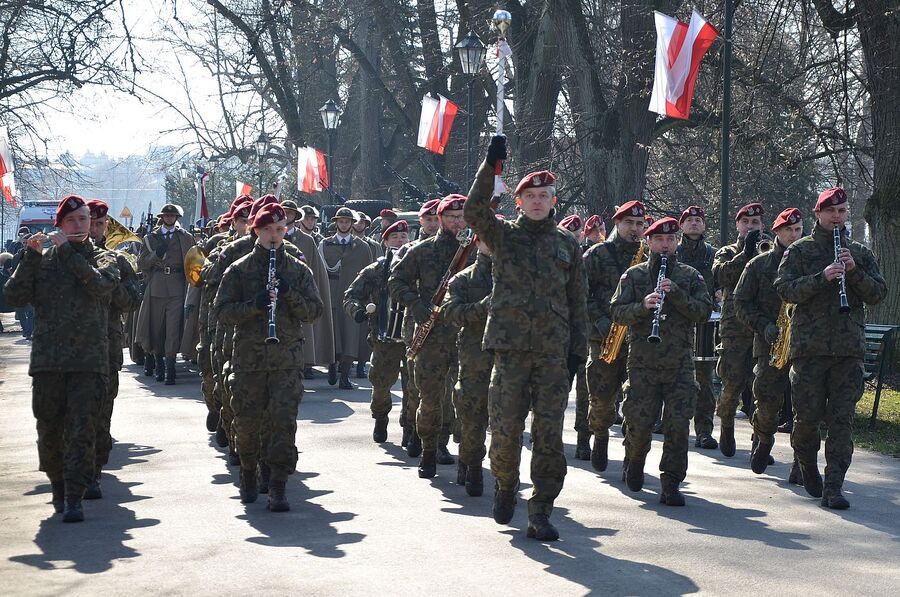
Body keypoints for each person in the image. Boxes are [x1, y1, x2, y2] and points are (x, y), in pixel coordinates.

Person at [464, 135, 588, 541]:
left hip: (553, 357)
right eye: (530, 195)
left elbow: (578, 304)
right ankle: (504, 485)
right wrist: (490, 167)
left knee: (550, 436)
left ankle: (541, 510)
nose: (537, 201)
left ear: (554, 201)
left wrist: (576, 354)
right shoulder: (503, 236)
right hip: (511, 352)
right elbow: (473, 210)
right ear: (519, 202)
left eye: (544, 195)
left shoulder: (568, 245)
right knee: (505, 430)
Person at [3, 195, 120, 522]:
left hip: (89, 362)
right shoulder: (42, 260)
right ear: (60, 225)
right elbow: (12, 297)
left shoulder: (104, 258)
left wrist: (68, 253)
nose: (80, 226)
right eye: (72, 221)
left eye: (84, 220)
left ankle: (74, 495)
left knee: (82, 429)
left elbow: (102, 287)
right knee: (50, 431)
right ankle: (58, 483)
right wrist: (30, 256)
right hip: (49, 362)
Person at [775, 188, 887, 509]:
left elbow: (878, 293)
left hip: (848, 350)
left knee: (842, 421)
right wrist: (821, 277)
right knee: (806, 419)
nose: (837, 216)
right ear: (818, 214)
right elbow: (784, 289)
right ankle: (807, 466)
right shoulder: (799, 251)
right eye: (831, 211)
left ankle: (834, 486)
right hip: (809, 351)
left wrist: (853, 272)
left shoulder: (860, 254)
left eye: (842, 211)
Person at [215, 203, 324, 511]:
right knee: (248, 423)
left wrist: (289, 294)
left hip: (286, 360)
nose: (274, 236)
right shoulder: (239, 269)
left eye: (279, 230)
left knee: (282, 422)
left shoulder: (297, 269)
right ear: (257, 232)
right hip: (248, 359)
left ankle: (277, 484)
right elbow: (222, 313)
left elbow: (314, 312)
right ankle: (249, 472)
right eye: (267, 230)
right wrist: (255, 304)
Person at [610, 217, 714, 506]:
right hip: (642, 363)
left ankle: (671, 482)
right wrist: (643, 306)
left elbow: (704, 312)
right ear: (649, 242)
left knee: (678, 426)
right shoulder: (634, 276)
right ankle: (634, 459)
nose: (665, 245)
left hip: (680, 364)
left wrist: (677, 294)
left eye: (670, 240)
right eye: (659, 240)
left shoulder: (690, 276)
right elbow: (616, 312)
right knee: (639, 424)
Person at [389, 195, 473, 476]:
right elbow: (396, 281)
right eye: (451, 217)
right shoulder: (421, 251)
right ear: (439, 219)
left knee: (464, 398)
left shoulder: (475, 251)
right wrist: (416, 304)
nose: (457, 221)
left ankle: (457, 449)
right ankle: (428, 448)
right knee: (430, 396)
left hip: (465, 335)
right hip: (431, 336)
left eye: (461, 216)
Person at [733, 207, 803, 476]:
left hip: (804, 345)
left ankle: (801, 462)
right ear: (777, 232)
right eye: (789, 231)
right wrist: (763, 325)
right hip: (769, 344)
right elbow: (741, 302)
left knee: (804, 408)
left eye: (798, 230)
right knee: (766, 402)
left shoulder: (809, 260)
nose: (794, 235)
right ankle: (762, 440)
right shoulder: (759, 264)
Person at [582, 201, 648, 467]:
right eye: (629, 223)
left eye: (639, 224)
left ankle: (632, 455)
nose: (634, 229)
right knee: (601, 396)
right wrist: (598, 321)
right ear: (617, 223)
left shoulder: (649, 256)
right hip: (605, 336)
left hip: (639, 340)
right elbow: (580, 294)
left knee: (638, 401)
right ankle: (599, 436)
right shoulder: (598, 254)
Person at [84, 200, 142, 499]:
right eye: (90, 223)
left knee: (101, 410)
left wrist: (110, 281)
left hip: (105, 347)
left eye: (100, 225)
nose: (95, 230)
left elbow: (132, 301)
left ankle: (93, 470)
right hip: (71, 350)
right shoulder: (62, 257)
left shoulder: (117, 261)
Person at [343, 220, 410, 442]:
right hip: (384, 337)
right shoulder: (376, 270)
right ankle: (381, 418)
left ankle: (410, 427)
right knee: (381, 384)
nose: (400, 241)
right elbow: (351, 296)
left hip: (413, 337)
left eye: (403, 238)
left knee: (415, 387)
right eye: (394, 238)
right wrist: (359, 312)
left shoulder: (416, 265)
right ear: (385, 242)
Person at [442, 231, 497, 497]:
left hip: (511, 361)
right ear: (478, 243)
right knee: (472, 417)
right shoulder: (464, 279)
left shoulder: (520, 277)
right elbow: (451, 313)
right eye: (489, 238)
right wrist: (484, 307)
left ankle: (505, 476)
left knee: (507, 423)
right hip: (475, 359)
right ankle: (472, 464)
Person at [713, 202, 764, 456]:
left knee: (761, 386)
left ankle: (759, 438)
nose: (750, 226)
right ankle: (727, 424)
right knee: (731, 382)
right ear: (737, 225)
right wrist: (745, 252)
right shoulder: (726, 252)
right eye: (746, 222)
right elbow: (721, 276)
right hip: (734, 327)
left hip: (762, 327)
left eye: (755, 223)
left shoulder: (770, 250)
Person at [395, 198, 441, 454]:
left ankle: (437, 440)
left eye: (437, 219)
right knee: (413, 382)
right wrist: (416, 303)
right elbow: (398, 282)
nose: (433, 224)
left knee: (441, 386)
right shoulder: (409, 249)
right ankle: (411, 428)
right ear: (421, 221)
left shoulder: (457, 250)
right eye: (429, 219)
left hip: (446, 325)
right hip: (416, 323)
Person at [676, 206, 721, 449]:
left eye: (698, 220)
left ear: (704, 225)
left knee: (704, 378)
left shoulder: (712, 254)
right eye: (689, 220)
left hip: (704, 321)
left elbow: (721, 282)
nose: (694, 224)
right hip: (676, 323)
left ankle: (704, 430)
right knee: (673, 375)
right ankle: (669, 422)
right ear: (681, 225)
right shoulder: (673, 250)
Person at [136, 203, 195, 384]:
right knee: (156, 328)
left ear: (176, 218)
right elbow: (142, 263)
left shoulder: (185, 237)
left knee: (172, 329)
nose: (169, 219)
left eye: (172, 216)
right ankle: (157, 363)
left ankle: (170, 368)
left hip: (177, 286)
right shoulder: (150, 237)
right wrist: (156, 254)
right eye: (166, 216)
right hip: (157, 286)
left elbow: (194, 261)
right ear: (162, 218)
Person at [319, 207, 374, 388]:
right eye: (341, 221)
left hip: (352, 298)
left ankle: (344, 375)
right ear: (336, 223)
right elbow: (319, 273)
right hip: (331, 296)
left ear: (352, 224)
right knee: (333, 334)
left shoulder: (363, 247)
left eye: (347, 221)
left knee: (350, 335)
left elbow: (369, 275)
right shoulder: (325, 245)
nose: (344, 224)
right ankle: (332, 366)